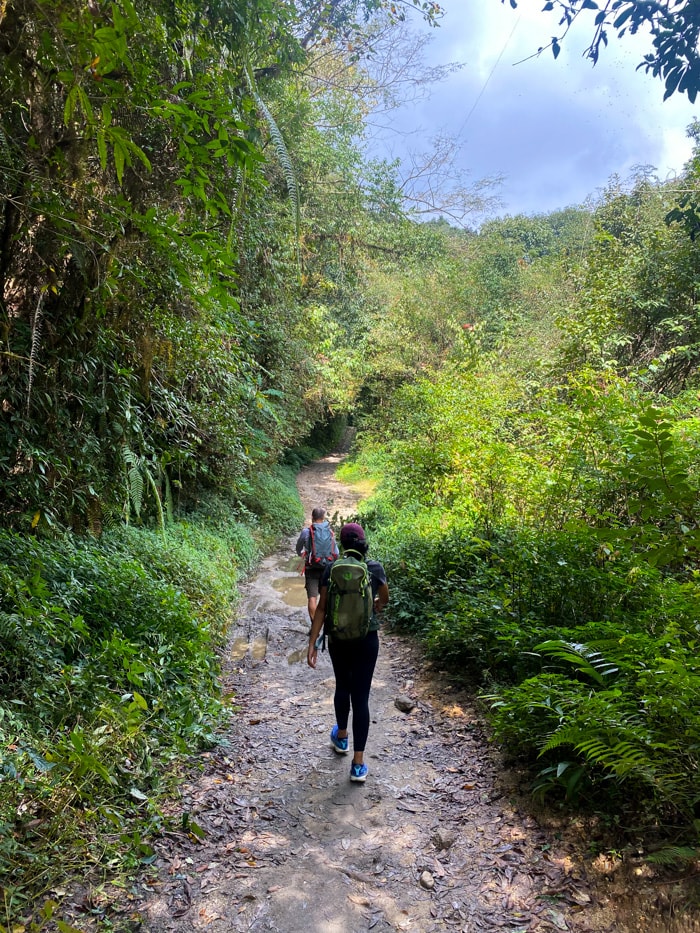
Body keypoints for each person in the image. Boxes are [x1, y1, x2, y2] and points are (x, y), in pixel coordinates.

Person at [307, 522, 389, 783]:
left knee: (343, 687)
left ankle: (341, 737)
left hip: (338, 639)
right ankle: (358, 764)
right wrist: (375, 604)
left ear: (341, 544)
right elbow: (384, 599)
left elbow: (321, 609)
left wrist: (312, 643)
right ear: (363, 543)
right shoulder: (374, 568)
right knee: (361, 696)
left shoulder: (331, 569)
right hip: (367, 639)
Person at [296, 507, 339, 624]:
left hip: (311, 569)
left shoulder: (306, 532)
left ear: (312, 517)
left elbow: (298, 548)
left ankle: (315, 626)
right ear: (323, 517)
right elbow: (336, 553)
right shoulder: (329, 532)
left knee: (312, 598)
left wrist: (302, 554)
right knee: (325, 598)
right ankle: (327, 625)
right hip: (327, 568)